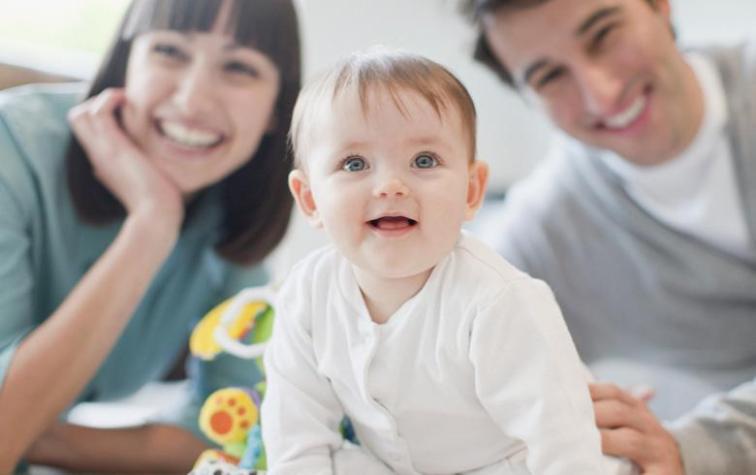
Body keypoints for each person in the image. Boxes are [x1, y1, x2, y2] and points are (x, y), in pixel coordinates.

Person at [261, 49, 634, 475]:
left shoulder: (498, 300)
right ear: (310, 199)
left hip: (516, 461)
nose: (390, 185)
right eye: (354, 163)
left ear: (471, 191)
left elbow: (561, 439)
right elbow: (295, 434)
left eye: (424, 161)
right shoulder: (306, 295)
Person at [0, 0, 300, 472]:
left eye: (239, 67)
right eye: (170, 51)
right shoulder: (11, 148)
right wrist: (152, 226)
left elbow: (233, 435)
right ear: (126, 64)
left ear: (275, 111)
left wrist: (37, 435)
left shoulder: (226, 215)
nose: (193, 101)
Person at [463, 0, 756, 474]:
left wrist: (697, 448)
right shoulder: (551, 229)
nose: (603, 95)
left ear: (660, 7)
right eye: (550, 77)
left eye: (604, 35)